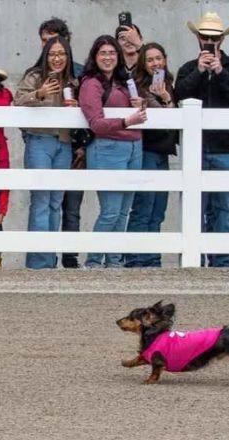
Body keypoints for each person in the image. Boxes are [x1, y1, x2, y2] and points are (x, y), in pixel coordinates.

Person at [176, 12, 229, 268]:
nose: (209, 41)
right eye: (205, 37)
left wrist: (219, 71)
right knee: (195, 207)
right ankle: (193, 260)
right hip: (197, 148)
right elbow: (179, 95)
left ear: (222, 40)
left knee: (224, 207)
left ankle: (223, 261)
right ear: (198, 38)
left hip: (225, 146)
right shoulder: (187, 68)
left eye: (214, 38)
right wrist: (199, 71)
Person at [79, 35, 146, 268]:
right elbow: (96, 123)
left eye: (112, 53)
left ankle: (115, 261)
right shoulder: (91, 84)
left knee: (123, 211)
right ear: (95, 57)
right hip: (108, 148)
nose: (108, 58)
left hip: (133, 147)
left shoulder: (123, 81)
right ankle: (95, 262)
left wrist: (139, 105)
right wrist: (126, 121)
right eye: (103, 53)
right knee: (111, 210)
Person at [14, 36, 78, 269]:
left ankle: (50, 260)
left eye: (62, 54)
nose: (57, 58)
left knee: (55, 202)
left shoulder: (73, 80)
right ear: (45, 55)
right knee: (41, 200)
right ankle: (38, 263)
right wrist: (39, 93)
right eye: (53, 54)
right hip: (39, 140)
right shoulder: (34, 76)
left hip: (64, 142)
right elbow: (17, 102)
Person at [37, 17, 85, 268]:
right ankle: (44, 260)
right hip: (47, 142)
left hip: (74, 143)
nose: (50, 48)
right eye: (45, 42)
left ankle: (70, 258)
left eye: (55, 42)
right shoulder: (37, 73)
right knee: (46, 200)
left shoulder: (79, 72)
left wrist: (82, 145)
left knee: (71, 204)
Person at [125, 43, 179, 268]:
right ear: (143, 64)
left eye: (159, 58)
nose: (155, 63)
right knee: (143, 206)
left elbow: (175, 118)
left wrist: (166, 97)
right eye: (150, 60)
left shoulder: (168, 85)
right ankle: (136, 258)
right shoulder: (137, 87)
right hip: (146, 149)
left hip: (163, 151)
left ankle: (152, 259)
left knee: (158, 208)